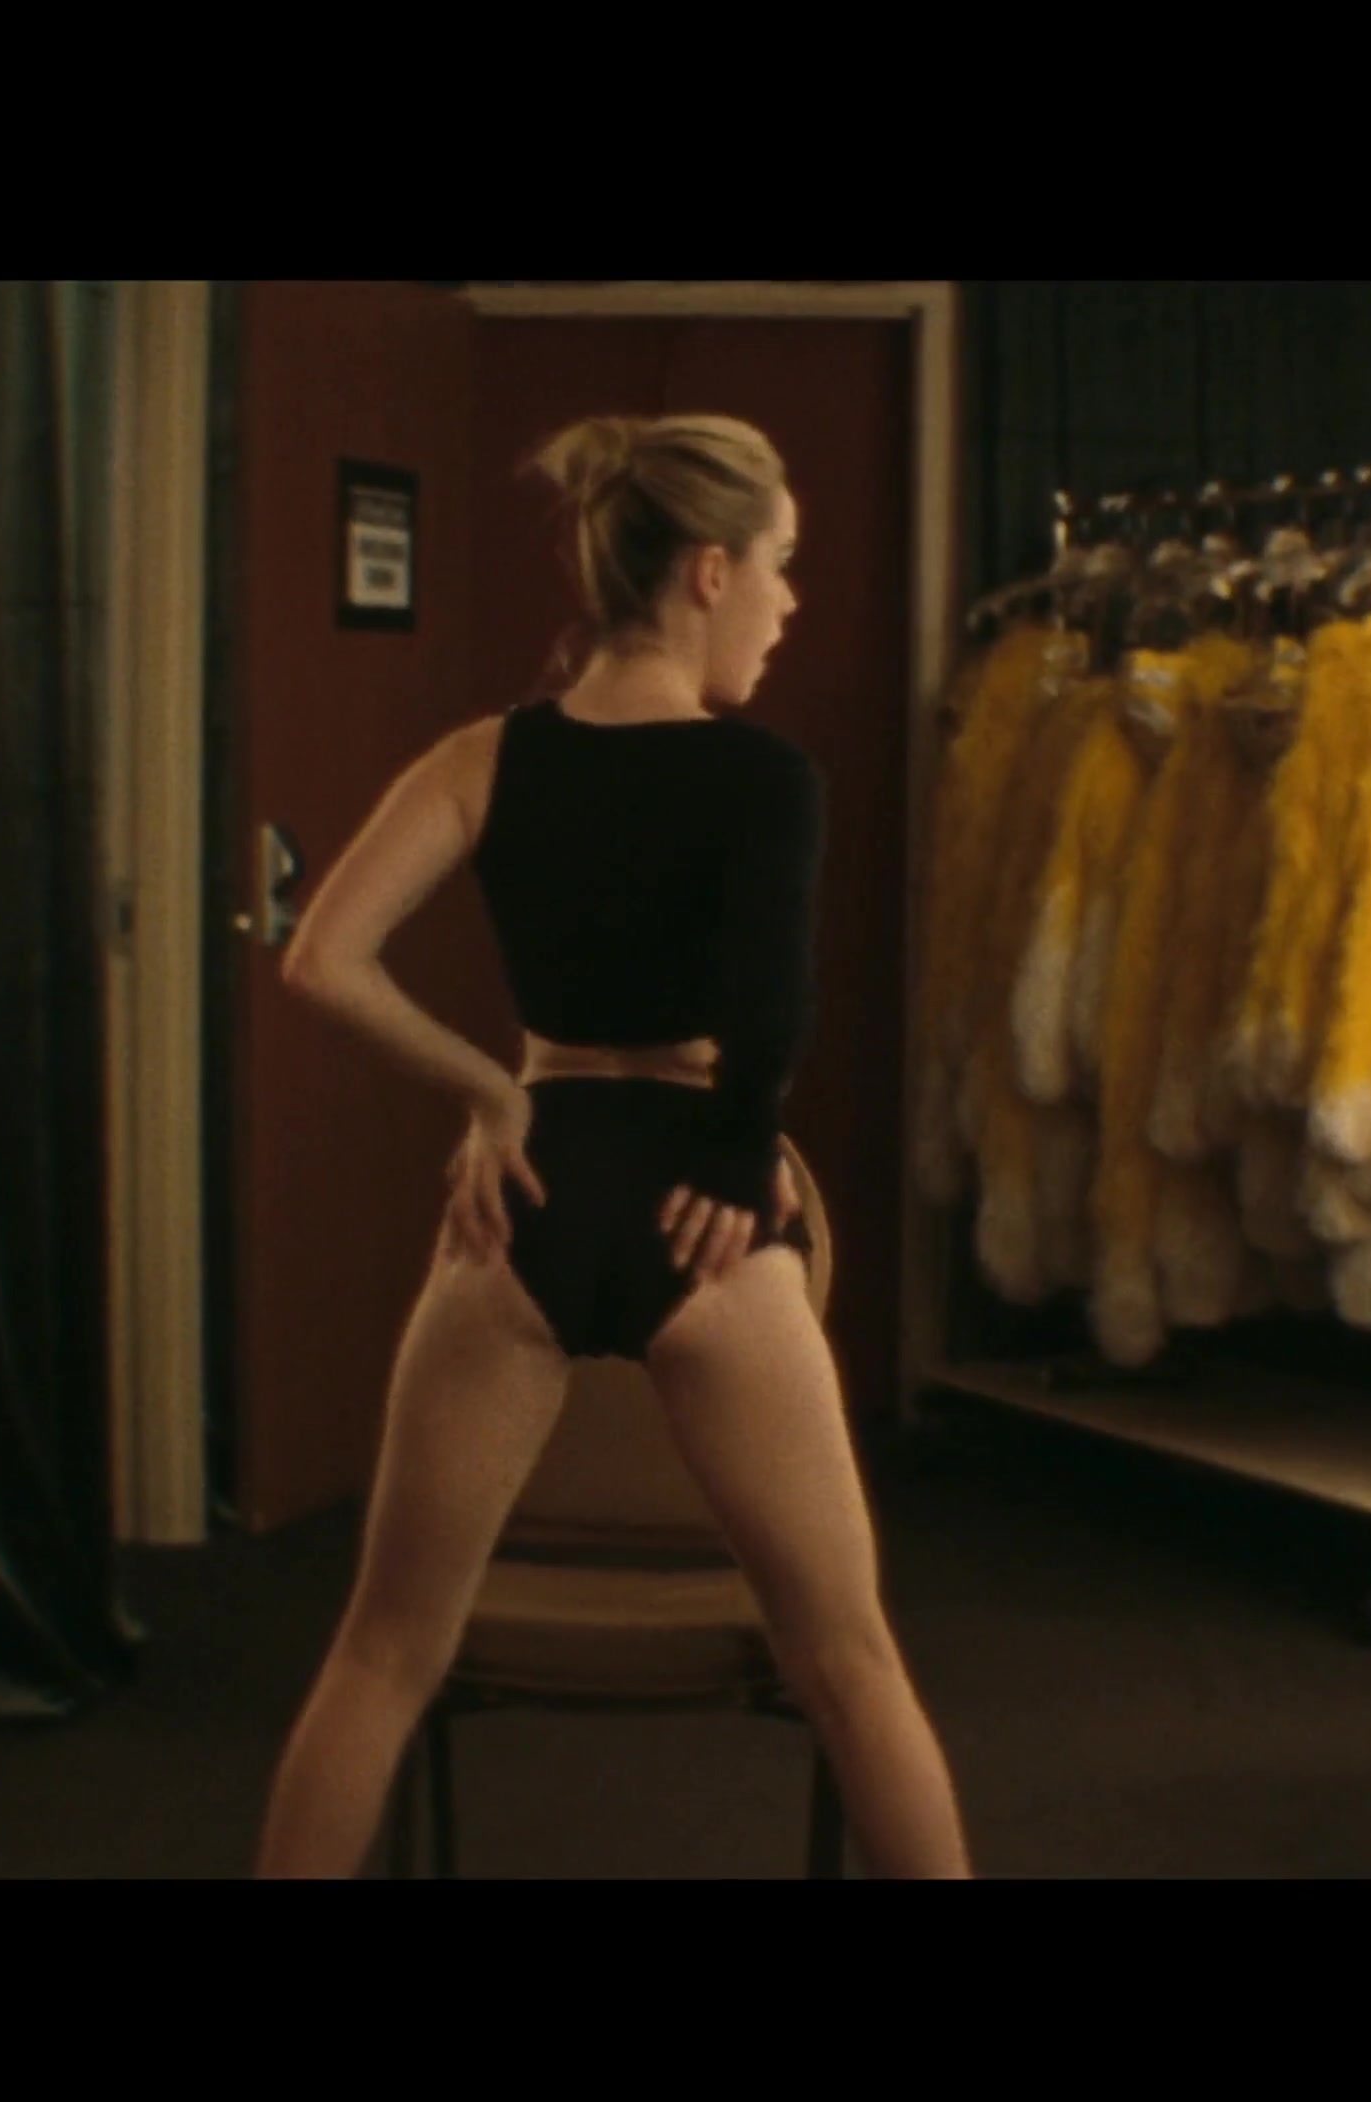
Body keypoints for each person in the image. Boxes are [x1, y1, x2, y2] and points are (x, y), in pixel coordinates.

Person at [251, 415, 972, 1880]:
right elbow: (771, 1012)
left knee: (381, 1657)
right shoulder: (766, 775)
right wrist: (738, 1157)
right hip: (701, 1212)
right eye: (779, 565)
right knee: (848, 1665)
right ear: (707, 571)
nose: (789, 602)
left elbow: (320, 958)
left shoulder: (483, 758)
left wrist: (489, 1092)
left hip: (524, 1202)